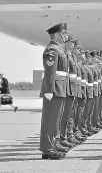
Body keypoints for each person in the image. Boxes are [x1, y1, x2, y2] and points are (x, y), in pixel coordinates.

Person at [39, 22, 69, 160]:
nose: (65, 36)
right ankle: (48, 149)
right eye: (63, 33)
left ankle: (53, 145)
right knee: (50, 120)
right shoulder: (52, 50)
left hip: (60, 88)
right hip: (54, 89)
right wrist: (49, 90)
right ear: (56, 34)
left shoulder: (58, 49)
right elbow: (50, 72)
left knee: (56, 120)